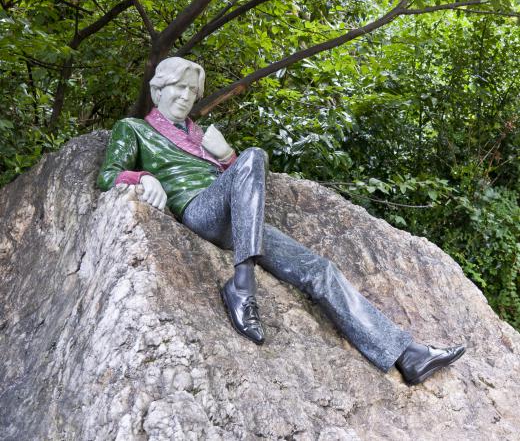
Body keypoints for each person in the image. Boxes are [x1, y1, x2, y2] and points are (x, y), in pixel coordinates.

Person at [97, 57, 465, 385]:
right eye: (179, 88)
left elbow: (242, 182)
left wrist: (225, 155)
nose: (185, 97)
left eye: (192, 91)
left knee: (319, 269)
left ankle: (408, 355)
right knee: (255, 155)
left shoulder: (201, 136)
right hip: (199, 211)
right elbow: (107, 174)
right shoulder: (134, 129)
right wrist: (143, 178)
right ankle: (242, 285)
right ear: (158, 88)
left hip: (241, 224)